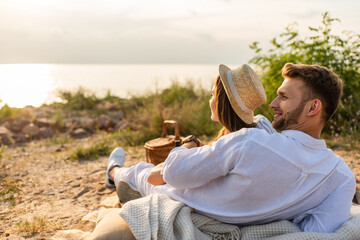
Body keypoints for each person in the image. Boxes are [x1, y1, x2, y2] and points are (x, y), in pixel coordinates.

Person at [94, 63, 355, 239]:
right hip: (207, 190)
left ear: (313, 108)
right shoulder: (340, 176)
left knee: (142, 173)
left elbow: (173, 172)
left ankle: (114, 171)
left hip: (179, 197)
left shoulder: (251, 142)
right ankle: (117, 172)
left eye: (284, 98)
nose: (273, 104)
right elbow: (316, 230)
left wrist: (188, 143)